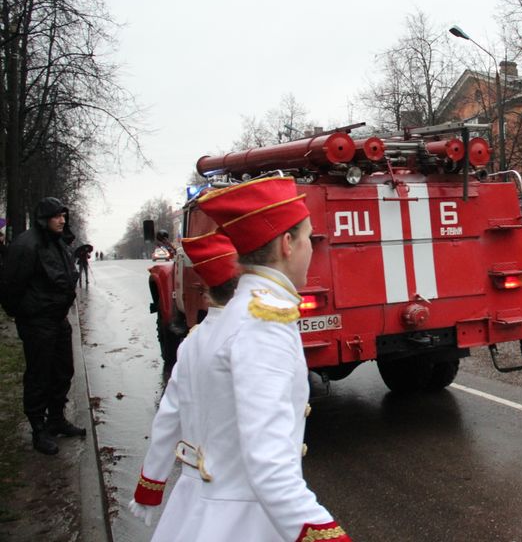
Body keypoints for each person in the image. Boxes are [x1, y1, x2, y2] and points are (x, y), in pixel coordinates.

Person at [131, 176, 351, 541]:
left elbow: (171, 415)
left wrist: (151, 484)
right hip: (243, 524)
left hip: (202, 511)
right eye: (308, 238)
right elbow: (270, 466)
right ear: (287, 244)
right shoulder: (265, 324)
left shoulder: (234, 321)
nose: (312, 249)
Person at [129, 229, 241, 531]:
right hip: (237, 498)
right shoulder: (248, 337)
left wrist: (150, 484)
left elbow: (169, 417)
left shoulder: (193, 341)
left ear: (204, 288)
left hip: (192, 495)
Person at [0, 198, 84, 455]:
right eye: (56, 216)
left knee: (63, 371)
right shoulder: (26, 245)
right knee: (39, 376)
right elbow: (10, 287)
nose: (61, 220)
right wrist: (26, 314)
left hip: (58, 320)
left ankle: (56, 419)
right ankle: (39, 430)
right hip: (37, 322)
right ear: (43, 219)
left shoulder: (57, 241)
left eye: (63, 216)